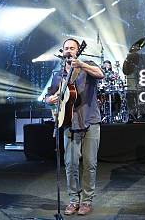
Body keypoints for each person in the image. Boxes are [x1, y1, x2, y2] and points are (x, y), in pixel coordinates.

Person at [46, 38, 104, 216]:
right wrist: (50, 99)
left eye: (72, 48)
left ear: (78, 51)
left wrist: (81, 65)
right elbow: (49, 97)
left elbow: (100, 74)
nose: (69, 51)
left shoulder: (87, 65)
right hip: (69, 123)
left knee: (90, 164)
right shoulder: (58, 75)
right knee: (70, 164)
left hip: (90, 121)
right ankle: (73, 200)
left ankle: (86, 201)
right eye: (66, 48)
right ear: (62, 52)